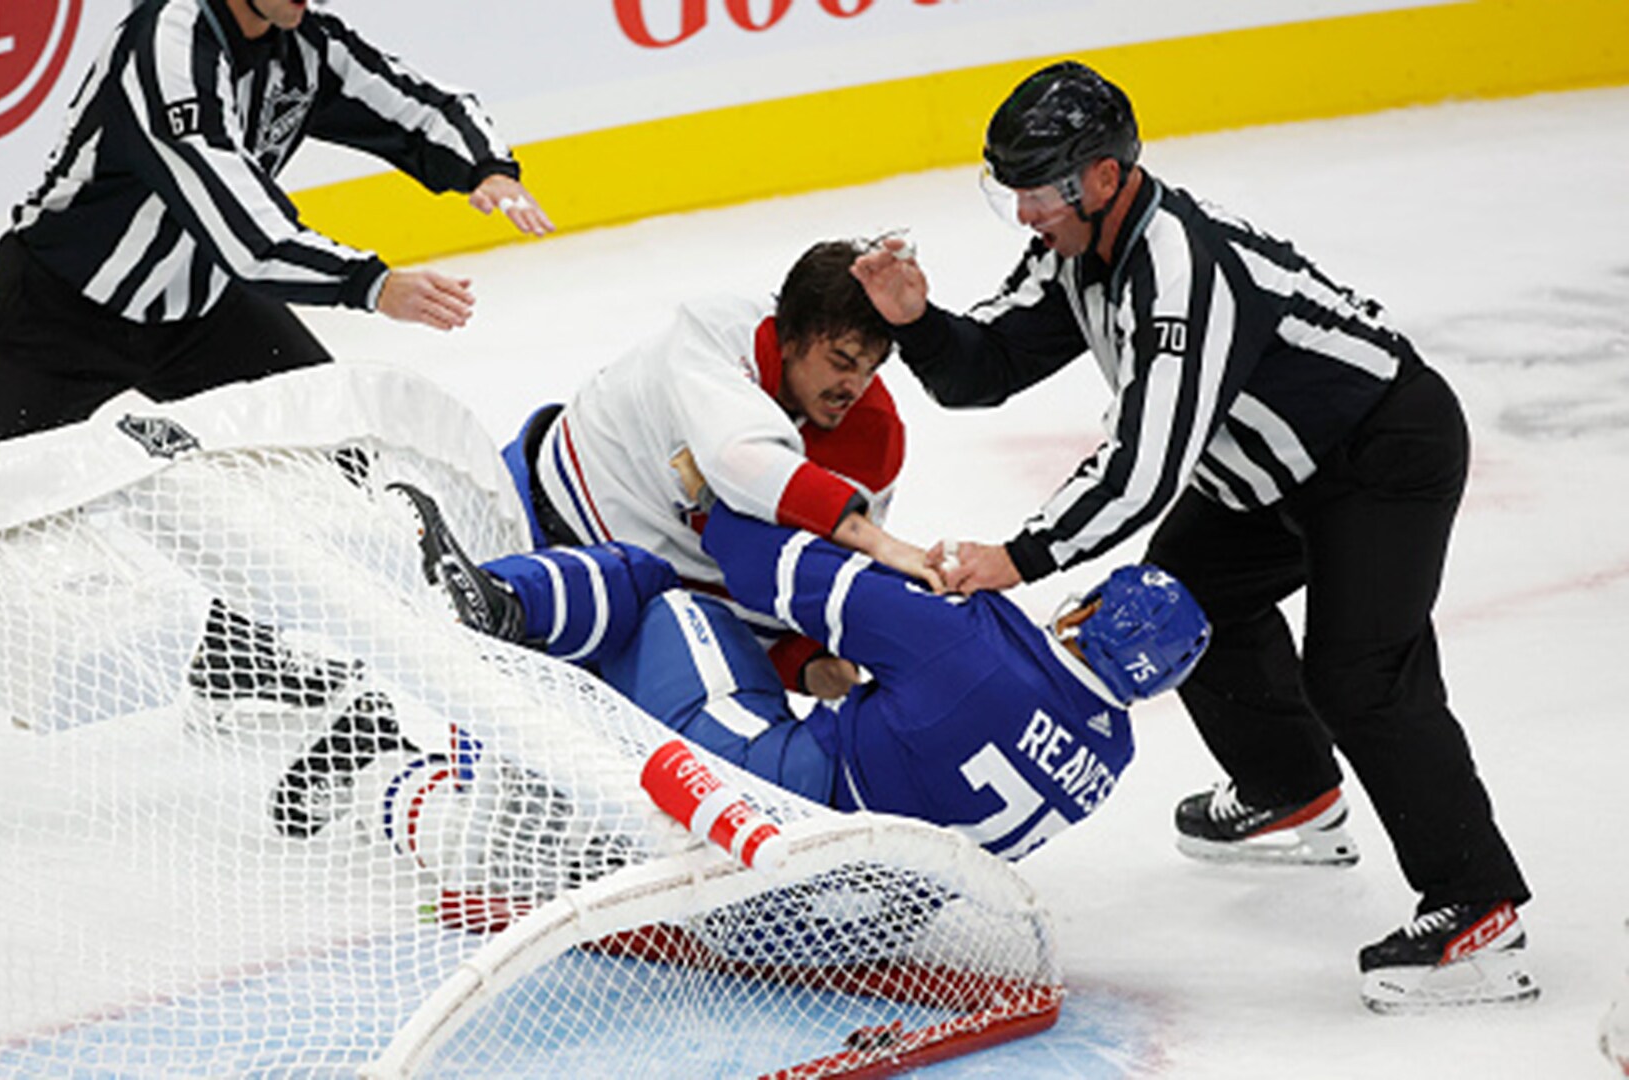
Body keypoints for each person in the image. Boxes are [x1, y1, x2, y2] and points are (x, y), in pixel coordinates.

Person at [848, 60, 1531, 1010]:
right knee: (1181, 601)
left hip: (1380, 456)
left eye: (1037, 190)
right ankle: (1292, 788)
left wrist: (1018, 557)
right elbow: (989, 367)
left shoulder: (1182, 269)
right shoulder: (1075, 249)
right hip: (1263, 473)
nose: (1023, 213)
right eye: (1008, 190)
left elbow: (1143, 467)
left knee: (1360, 674)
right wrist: (917, 324)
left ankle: (1478, 907)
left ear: (1102, 176)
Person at [275, 485, 1211, 866]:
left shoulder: (967, 644)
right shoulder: (1112, 755)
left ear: (1085, 615)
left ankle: (490, 610)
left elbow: (777, 573)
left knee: (658, 590)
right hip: (864, 909)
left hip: (758, 819)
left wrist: (714, 505)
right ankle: (404, 776)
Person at [0, 0, 552, 452]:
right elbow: (248, 237)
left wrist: (486, 167)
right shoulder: (165, 46)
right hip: (62, 312)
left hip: (201, 314)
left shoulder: (305, 44)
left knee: (335, 454)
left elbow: (423, 105)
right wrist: (372, 284)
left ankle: (242, 632)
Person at [501, 240, 920, 701]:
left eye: (870, 368)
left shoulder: (874, 437)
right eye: (841, 362)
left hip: (663, 615)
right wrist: (878, 542)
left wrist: (810, 663)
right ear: (790, 336)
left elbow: (810, 580)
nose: (854, 387)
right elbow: (739, 457)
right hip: (531, 515)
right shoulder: (715, 332)